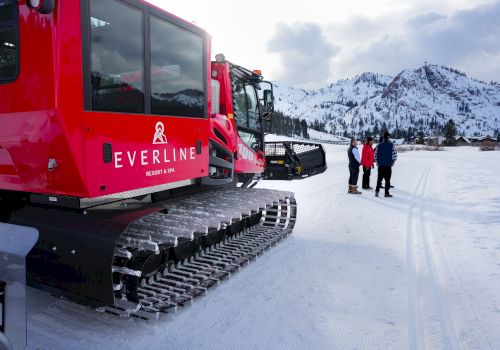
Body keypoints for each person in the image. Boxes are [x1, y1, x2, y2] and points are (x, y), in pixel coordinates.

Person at [375, 132, 397, 197]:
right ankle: (386, 193)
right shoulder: (392, 145)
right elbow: (395, 155)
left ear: (383, 137)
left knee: (379, 179)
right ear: (388, 137)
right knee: (387, 180)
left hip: (380, 165)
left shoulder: (378, 145)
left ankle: (377, 191)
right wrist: (392, 162)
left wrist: (378, 162)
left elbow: (375, 156)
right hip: (388, 165)